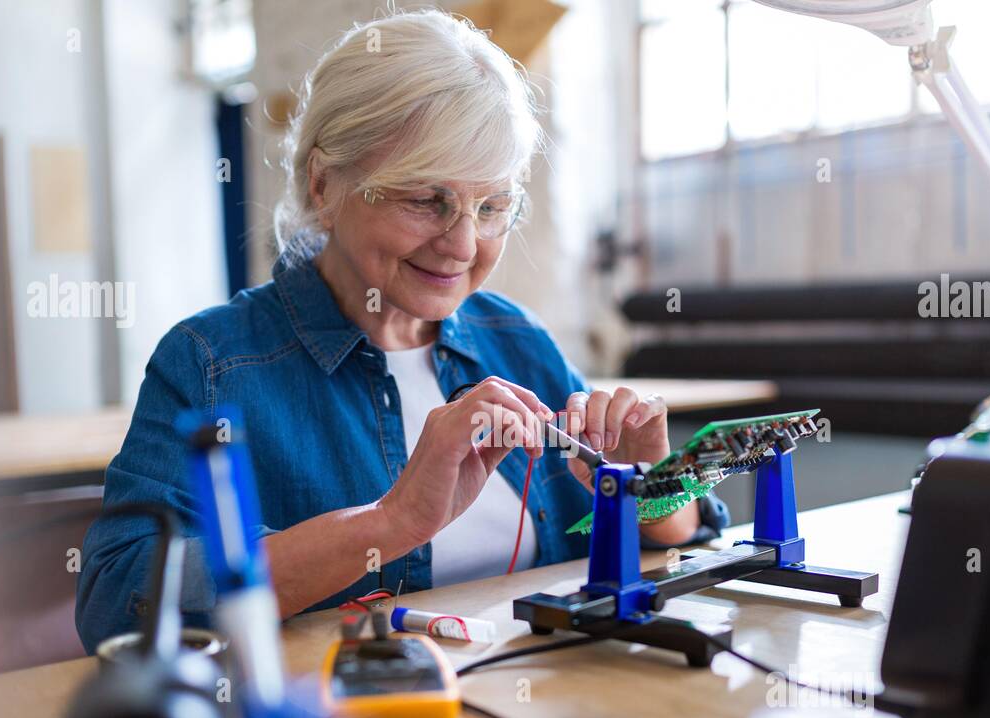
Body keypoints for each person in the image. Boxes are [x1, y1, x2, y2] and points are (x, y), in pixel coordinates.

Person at [75, 9, 727, 652]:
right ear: (325, 185)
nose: (464, 244)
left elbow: (659, 548)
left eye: (493, 207)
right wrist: (391, 523)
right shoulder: (214, 362)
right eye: (426, 201)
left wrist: (656, 488)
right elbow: (118, 601)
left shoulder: (517, 341)